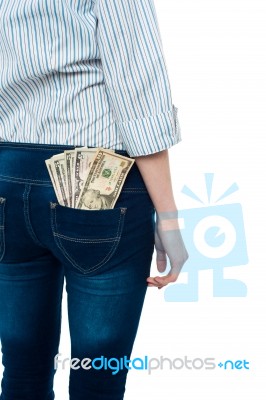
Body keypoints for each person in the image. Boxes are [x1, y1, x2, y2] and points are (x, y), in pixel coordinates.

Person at [0, 1, 188, 399]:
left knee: (21, 371)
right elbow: (138, 92)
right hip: (98, 175)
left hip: (8, 174)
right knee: (98, 378)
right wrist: (168, 218)